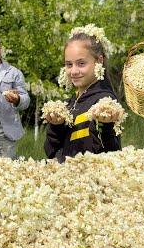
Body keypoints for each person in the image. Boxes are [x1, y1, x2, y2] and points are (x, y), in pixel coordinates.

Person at [44, 28, 122, 162]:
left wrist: (105, 126)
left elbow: (111, 153)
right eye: (69, 64)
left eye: (81, 63)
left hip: (93, 179)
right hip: (68, 178)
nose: (74, 71)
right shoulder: (68, 105)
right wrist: (56, 126)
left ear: (99, 61)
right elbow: (51, 152)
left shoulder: (105, 102)